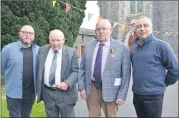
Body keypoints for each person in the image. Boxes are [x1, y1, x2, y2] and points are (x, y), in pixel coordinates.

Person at [78, 19, 131, 117]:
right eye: (98, 29)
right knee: (93, 115)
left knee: (111, 116)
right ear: (95, 32)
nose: (101, 31)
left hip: (112, 90)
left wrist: (122, 95)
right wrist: (82, 88)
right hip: (92, 87)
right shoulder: (88, 46)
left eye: (104, 29)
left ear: (110, 30)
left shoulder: (121, 48)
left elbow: (126, 74)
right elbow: (82, 69)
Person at [131, 16, 178, 118]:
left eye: (145, 26)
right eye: (139, 26)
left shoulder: (162, 46)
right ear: (135, 30)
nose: (142, 29)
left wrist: (163, 83)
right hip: (137, 94)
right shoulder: (134, 48)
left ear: (151, 28)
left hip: (153, 97)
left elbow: (175, 70)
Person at [36, 29, 79, 117]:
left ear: (63, 40)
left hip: (65, 94)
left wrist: (67, 83)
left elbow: (76, 71)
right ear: (49, 40)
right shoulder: (42, 50)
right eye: (52, 40)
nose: (55, 43)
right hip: (48, 94)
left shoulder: (72, 52)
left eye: (58, 40)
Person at [1, 25, 39, 117]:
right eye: (25, 32)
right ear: (19, 33)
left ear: (33, 36)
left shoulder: (38, 50)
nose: (28, 35)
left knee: (26, 115)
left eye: (30, 33)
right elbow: (2, 68)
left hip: (30, 93)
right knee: (14, 115)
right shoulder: (8, 49)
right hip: (13, 92)